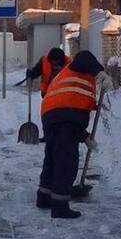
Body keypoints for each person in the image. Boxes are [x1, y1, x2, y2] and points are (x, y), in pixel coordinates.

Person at [36, 49, 104, 219]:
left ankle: (44, 197)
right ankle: (60, 206)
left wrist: (84, 136)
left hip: (51, 114)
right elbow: (84, 55)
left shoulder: (72, 79)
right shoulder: (81, 66)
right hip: (62, 115)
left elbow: (73, 116)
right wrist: (100, 72)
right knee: (66, 162)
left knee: (53, 159)